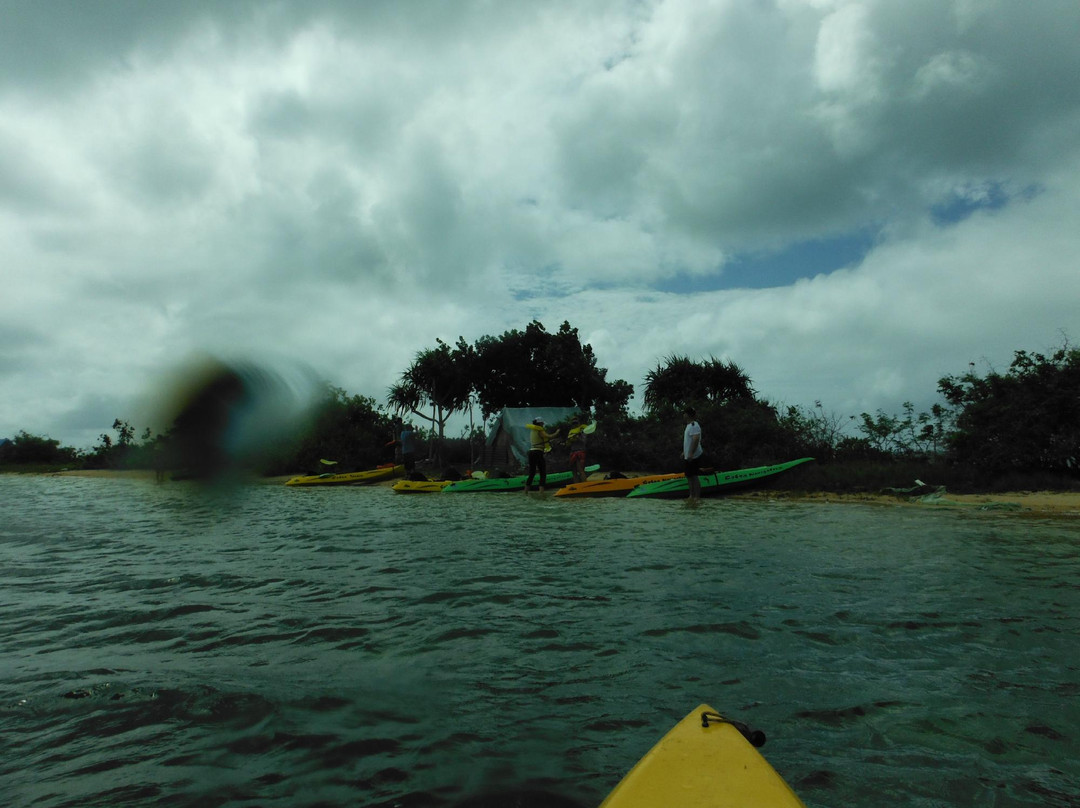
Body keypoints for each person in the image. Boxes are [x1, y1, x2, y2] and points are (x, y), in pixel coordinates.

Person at [524, 417, 560, 493]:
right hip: (538, 452)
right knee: (542, 472)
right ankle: (541, 492)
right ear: (539, 423)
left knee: (532, 473)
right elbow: (549, 436)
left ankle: (526, 491)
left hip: (531, 452)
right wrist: (557, 432)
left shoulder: (533, 430)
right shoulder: (539, 430)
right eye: (542, 423)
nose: (543, 424)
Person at [682, 407, 704, 502]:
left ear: (688, 414)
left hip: (694, 455)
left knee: (694, 476)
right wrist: (684, 452)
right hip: (688, 455)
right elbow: (688, 441)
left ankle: (697, 497)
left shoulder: (694, 425)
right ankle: (691, 495)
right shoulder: (689, 425)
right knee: (689, 476)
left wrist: (690, 453)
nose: (683, 415)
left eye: (684, 413)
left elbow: (695, 439)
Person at [566, 417, 589, 483]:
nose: (575, 424)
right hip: (573, 452)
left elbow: (584, 441)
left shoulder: (583, 431)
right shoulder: (571, 432)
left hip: (580, 452)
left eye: (576, 423)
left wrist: (577, 437)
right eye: (573, 423)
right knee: (574, 471)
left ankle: (584, 485)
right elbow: (568, 444)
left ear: (579, 423)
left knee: (580, 470)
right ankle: (576, 485)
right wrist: (569, 440)